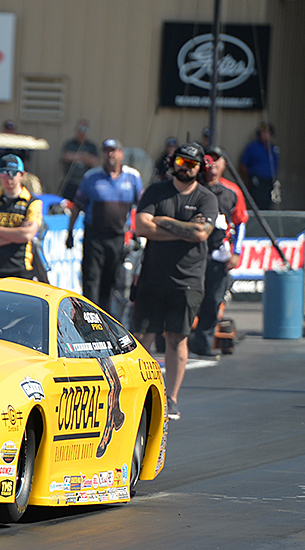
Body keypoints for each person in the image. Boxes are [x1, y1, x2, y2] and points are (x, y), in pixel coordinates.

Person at [131, 142, 216, 422]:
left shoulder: (207, 198)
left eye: (192, 164)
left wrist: (163, 221)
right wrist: (184, 230)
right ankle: (139, 393)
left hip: (188, 280)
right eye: (181, 162)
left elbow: (202, 234)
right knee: (142, 336)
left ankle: (171, 398)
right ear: (173, 163)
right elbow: (142, 226)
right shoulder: (156, 191)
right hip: (153, 277)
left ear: (199, 168)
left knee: (176, 338)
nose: (186, 168)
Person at [66, 138, 144, 312]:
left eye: (114, 150)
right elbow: (77, 205)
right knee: (91, 278)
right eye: (107, 150)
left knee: (111, 281)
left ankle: (105, 319)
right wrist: (69, 232)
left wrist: (138, 234)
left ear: (121, 154)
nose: (110, 154)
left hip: (117, 236)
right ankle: (88, 315)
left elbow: (141, 207)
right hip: (94, 235)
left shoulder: (133, 177)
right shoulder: (91, 177)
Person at [189, 145, 248, 357]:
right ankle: (183, 339)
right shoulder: (193, 187)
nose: (212, 165)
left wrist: (237, 252)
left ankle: (204, 343)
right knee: (190, 296)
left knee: (213, 299)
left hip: (219, 254)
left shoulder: (232, 191)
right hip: (193, 254)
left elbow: (241, 222)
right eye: (208, 160)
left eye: (217, 160)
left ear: (224, 164)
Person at [0, 155, 43, 279]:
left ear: (21, 175)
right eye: (3, 173)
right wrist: (15, 236)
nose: (8, 177)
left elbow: (27, 235)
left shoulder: (32, 202)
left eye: (12, 173)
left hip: (20, 269)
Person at [238, 122, 280, 209]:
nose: (266, 135)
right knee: (256, 204)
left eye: (268, 132)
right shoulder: (252, 147)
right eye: (263, 132)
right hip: (256, 182)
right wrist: (249, 178)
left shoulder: (273, 149)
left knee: (267, 205)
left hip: (269, 182)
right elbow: (243, 165)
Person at [59, 119, 99, 200]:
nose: (82, 132)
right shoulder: (69, 144)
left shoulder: (91, 146)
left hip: (85, 182)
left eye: (85, 130)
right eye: (80, 129)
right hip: (70, 181)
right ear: (76, 130)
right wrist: (83, 156)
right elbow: (66, 156)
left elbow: (95, 161)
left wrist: (75, 156)